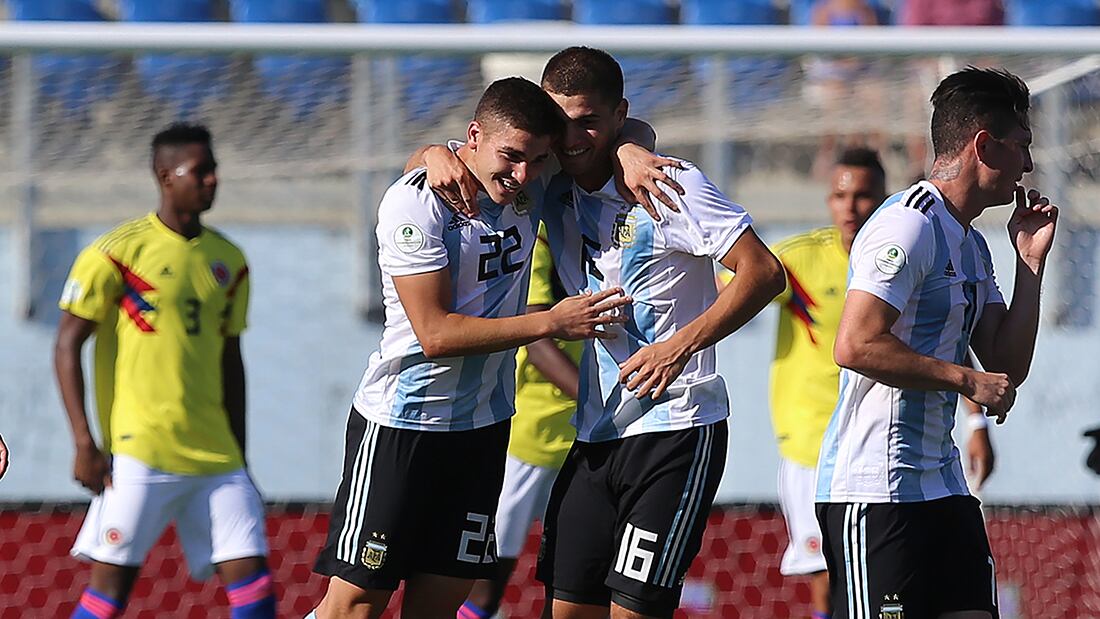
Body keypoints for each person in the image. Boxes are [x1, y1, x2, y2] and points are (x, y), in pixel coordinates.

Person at [307, 77, 632, 619]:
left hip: (482, 430)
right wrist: (548, 322)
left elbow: (601, 135)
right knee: (357, 604)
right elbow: (435, 334)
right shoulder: (418, 202)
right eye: (510, 156)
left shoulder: (530, 183)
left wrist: (633, 149)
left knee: (442, 601)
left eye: (536, 159)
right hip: (403, 426)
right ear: (474, 136)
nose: (523, 174)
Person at [533, 47, 786, 619]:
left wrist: (678, 346)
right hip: (597, 431)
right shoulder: (547, 182)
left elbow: (764, 273)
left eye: (589, 121)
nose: (572, 137)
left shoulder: (671, 184)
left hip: (675, 429)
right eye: (561, 120)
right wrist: (431, 153)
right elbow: (473, 154)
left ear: (618, 112)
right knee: (568, 611)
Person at [817, 67, 1057, 619]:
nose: (1028, 164)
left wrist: (1029, 264)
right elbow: (854, 345)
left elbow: (1006, 363)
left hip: (943, 488)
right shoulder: (908, 225)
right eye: (1022, 145)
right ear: (983, 146)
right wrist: (965, 379)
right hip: (876, 493)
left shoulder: (970, 242)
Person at [754, 148, 995, 619]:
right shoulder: (800, 259)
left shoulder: (914, 243)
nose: (850, 207)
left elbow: (944, 336)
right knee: (826, 581)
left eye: (863, 195)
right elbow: (735, 286)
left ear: (882, 198)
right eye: (839, 195)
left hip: (912, 458)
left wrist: (975, 419)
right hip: (818, 452)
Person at [54, 123, 274, 619]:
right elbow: (67, 344)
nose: (212, 180)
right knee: (108, 595)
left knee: (256, 592)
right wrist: (85, 443)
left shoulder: (229, 260)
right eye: (199, 171)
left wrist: (242, 453)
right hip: (140, 452)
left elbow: (229, 361)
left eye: (214, 170)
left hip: (217, 458)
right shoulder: (115, 252)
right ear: (163, 175)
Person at [459, 224, 582, 619]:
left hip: (586, 443)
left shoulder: (606, 221)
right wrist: (593, 398)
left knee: (576, 584)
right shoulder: (542, 232)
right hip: (529, 438)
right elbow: (534, 333)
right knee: (484, 585)